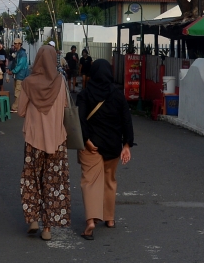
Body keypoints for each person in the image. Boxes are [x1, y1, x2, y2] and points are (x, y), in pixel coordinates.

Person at [17, 44, 71, 241]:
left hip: (33, 140)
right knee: (53, 182)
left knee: (31, 179)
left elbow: (21, 111)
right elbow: (65, 107)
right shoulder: (60, 82)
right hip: (57, 140)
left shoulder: (28, 83)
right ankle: (47, 228)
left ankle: (33, 219)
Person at [76, 60, 133, 240]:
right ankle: (109, 218)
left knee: (90, 181)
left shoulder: (85, 94)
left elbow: (80, 120)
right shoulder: (117, 95)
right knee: (109, 181)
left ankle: (91, 220)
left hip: (91, 145)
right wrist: (127, 145)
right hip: (112, 145)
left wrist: (85, 140)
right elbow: (126, 121)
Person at [8, 38, 29, 113]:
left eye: (16, 43)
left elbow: (20, 65)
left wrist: (13, 71)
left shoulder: (22, 53)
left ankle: (15, 107)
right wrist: (9, 68)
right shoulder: (17, 52)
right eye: (14, 43)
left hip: (21, 74)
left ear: (19, 44)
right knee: (17, 90)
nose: (15, 45)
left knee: (18, 91)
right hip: (17, 74)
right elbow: (14, 62)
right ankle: (19, 105)